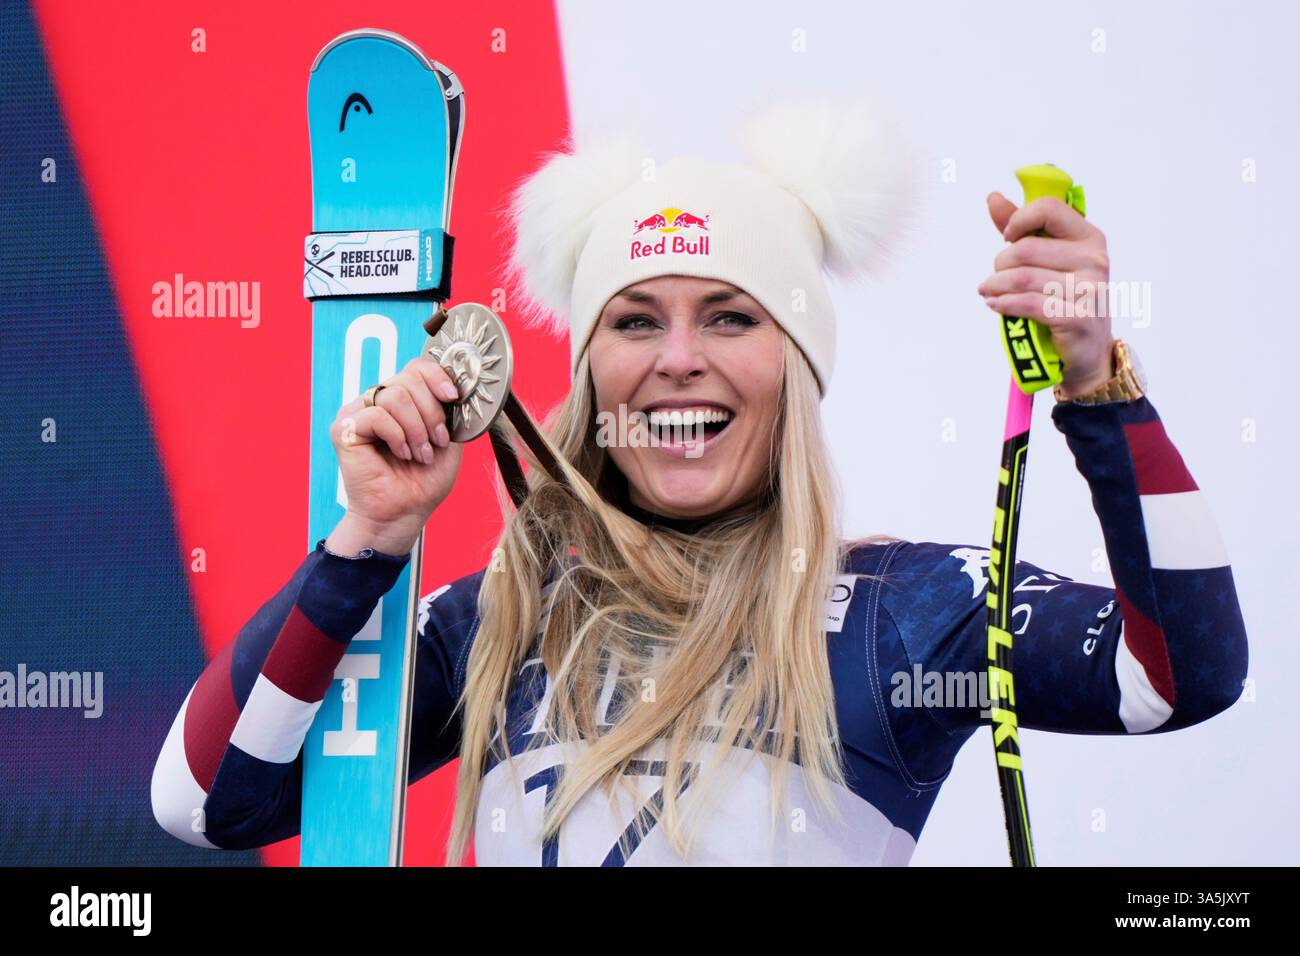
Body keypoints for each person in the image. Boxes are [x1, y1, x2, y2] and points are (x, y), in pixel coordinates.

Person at [151, 102, 1249, 866]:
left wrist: (1099, 387)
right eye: (635, 320)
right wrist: (369, 539)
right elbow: (205, 798)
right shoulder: (501, 616)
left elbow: (1182, 674)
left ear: (795, 371)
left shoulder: (910, 613)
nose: (678, 356)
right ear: (588, 377)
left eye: (730, 315)